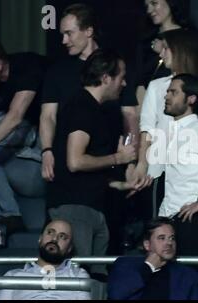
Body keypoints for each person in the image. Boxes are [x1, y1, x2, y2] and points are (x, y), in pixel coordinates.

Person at [113, 73, 198, 255]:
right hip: (173, 219)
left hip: (194, 220)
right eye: (167, 91)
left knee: (192, 277)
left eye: (173, 92)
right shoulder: (178, 132)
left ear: (191, 99)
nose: (166, 96)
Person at [46, 49, 136, 276]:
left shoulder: (94, 109)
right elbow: (75, 162)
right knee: (78, 277)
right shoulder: (82, 107)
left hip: (91, 206)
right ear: (106, 78)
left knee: (96, 279)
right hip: (76, 207)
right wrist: (119, 158)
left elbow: (87, 171)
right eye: (121, 77)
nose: (124, 83)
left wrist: (118, 185)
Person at [40, 3, 139, 183]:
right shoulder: (57, 71)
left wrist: (130, 160)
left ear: (88, 31)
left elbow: (130, 116)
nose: (64, 41)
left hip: (110, 167)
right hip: (71, 168)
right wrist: (46, 151)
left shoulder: (115, 66)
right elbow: (48, 116)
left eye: (69, 33)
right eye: (62, 34)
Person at [132, 28, 198, 194]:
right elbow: (147, 128)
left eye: (166, 48)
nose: (161, 54)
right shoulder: (157, 86)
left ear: (181, 50)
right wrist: (142, 164)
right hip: (161, 169)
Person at [0, 37, 45, 234]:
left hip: (39, 145)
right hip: (11, 143)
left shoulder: (26, 66)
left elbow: (15, 116)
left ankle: (10, 215)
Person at [107, 217, 198, 300]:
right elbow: (116, 295)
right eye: (161, 238)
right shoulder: (124, 265)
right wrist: (148, 267)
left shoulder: (189, 276)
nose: (169, 243)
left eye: (172, 238)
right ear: (147, 245)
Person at [0, 219, 91, 300]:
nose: (54, 239)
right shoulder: (13, 276)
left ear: (69, 248)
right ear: (40, 239)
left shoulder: (78, 275)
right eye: (50, 232)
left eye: (62, 236)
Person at [136, 0, 193, 105]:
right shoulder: (146, 39)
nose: (149, 10)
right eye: (147, 6)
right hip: (151, 100)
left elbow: (193, 67)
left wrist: (165, 49)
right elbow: (139, 75)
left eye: (154, 3)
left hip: (182, 99)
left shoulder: (189, 35)